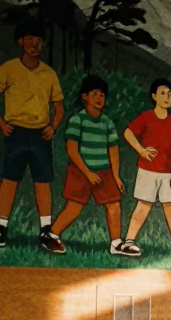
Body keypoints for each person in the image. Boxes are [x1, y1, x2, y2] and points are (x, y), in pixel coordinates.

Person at [0, 17, 65, 252]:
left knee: (43, 181)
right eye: (30, 39)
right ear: (21, 41)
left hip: (40, 134)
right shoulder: (8, 68)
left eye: (40, 40)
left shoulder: (49, 73)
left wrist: (53, 126)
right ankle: (1, 226)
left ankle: (45, 229)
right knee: (9, 179)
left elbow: (59, 106)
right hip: (16, 133)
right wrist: (2, 124)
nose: (35, 44)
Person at [119, 79, 171, 258]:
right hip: (148, 170)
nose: (166, 97)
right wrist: (141, 150)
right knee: (143, 205)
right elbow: (128, 132)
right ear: (154, 96)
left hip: (168, 173)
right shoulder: (146, 116)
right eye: (162, 93)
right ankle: (129, 242)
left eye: (170, 94)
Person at [51, 74, 125, 253]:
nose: (99, 98)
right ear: (85, 96)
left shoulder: (107, 122)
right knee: (74, 206)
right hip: (80, 170)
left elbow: (113, 149)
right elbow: (72, 150)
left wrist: (116, 176)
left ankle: (116, 244)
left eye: (102, 95)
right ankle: (52, 236)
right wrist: (87, 173)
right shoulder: (78, 120)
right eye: (95, 94)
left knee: (114, 205)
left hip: (104, 170)